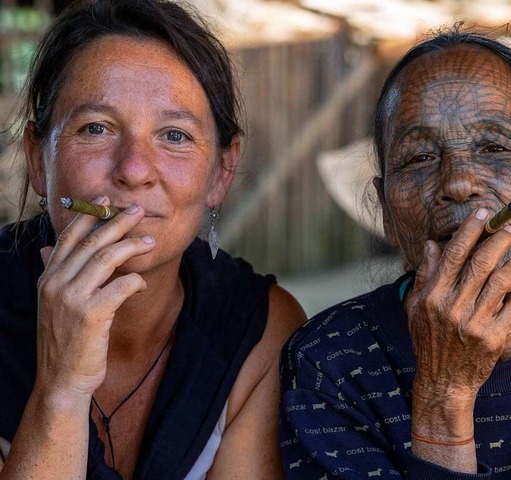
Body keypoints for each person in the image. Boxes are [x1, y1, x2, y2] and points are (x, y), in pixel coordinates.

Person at [279, 27, 511, 479]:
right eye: (419, 158)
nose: (457, 183)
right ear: (387, 211)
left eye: (495, 147)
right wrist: (443, 397)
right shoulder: (328, 362)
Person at [0, 0, 305, 478]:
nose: (134, 171)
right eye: (96, 129)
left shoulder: (256, 332)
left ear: (221, 171)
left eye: (175, 136)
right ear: (39, 160)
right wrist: (61, 390)